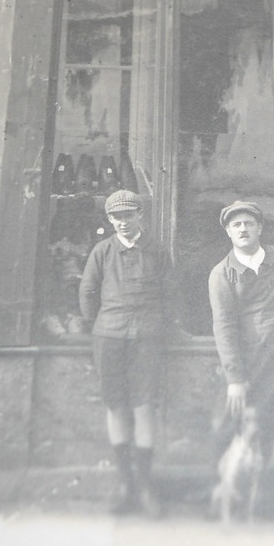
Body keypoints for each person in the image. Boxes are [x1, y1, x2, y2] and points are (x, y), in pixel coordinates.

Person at [208, 200, 274, 522]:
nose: (243, 229)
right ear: (228, 232)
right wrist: (234, 379)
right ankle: (234, 501)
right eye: (236, 225)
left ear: (259, 228)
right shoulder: (221, 274)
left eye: (248, 223)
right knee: (228, 427)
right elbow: (224, 327)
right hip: (250, 366)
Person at [78, 188, 170, 517]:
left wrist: (163, 327)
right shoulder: (102, 252)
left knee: (144, 407)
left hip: (148, 336)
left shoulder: (158, 251)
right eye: (116, 217)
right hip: (110, 337)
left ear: (140, 216)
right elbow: (87, 291)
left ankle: (145, 486)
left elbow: (169, 293)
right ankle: (123, 484)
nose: (122, 223)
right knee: (116, 406)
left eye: (128, 215)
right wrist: (99, 324)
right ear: (109, 219)